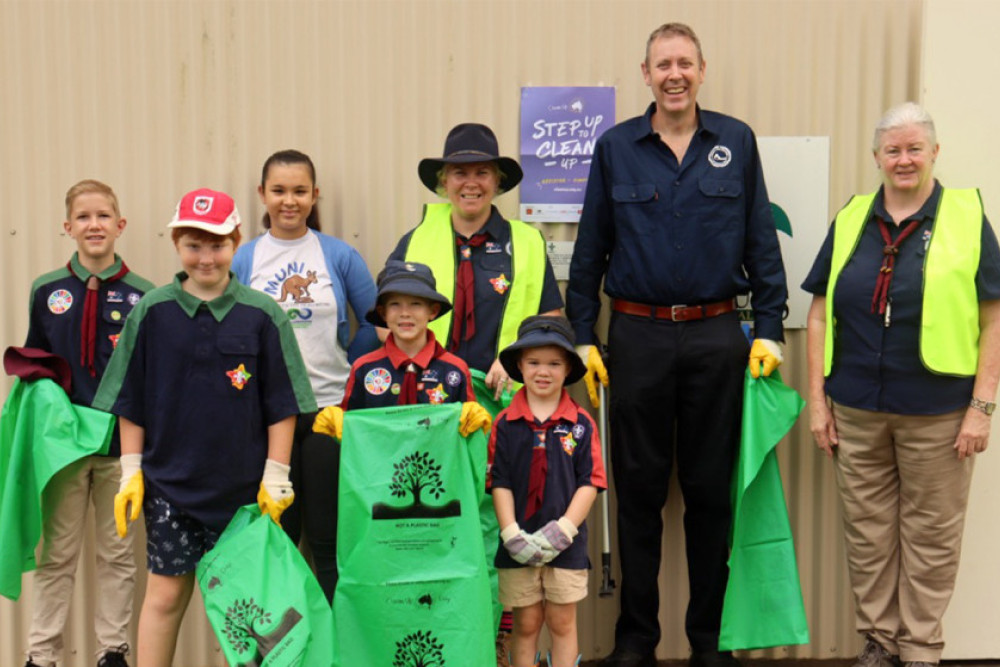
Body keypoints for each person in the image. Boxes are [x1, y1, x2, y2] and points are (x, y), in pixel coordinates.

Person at [566, 23, 788, 667]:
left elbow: (760, 244)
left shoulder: (736, 142)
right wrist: (584, 335)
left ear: (702, 69)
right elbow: (589, 253)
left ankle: (708, 642)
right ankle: (636, 640)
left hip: (719, 338)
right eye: (663, 64)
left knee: (710, 493)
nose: (674, 74)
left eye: (685, 63)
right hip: (635, 337)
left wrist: (769, 328)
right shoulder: (616, 148)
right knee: (636, 491)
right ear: (645, 73)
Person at [803, 102, 1000, 667]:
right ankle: (880, 643)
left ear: (935, 152)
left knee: (931, 537)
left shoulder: (967, 214)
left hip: (939, 411)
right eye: (893, 150)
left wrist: (982, 406)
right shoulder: (852, 217)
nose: (904, 159)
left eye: (915, 148)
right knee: (868, 534)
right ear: (876, 158)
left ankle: (919, 649)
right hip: (857, 407)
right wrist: (818, 401)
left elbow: (992, 317)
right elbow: (818, 313)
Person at [92, 188, 316, 667]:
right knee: (165, 598)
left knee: (249, 609)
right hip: (170, 490)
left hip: (243, 496)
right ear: (176, 243)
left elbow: (283, 404)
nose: (206, 256)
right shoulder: (151, 313)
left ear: (236, 242)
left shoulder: (263, 315)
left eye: (217, 244)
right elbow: (131, 401)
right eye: (194, 244)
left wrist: (276, 475)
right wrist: (132, 469)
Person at [389, 122, 564, 661]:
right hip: (431, 410)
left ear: (497, 180)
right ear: (443, 181)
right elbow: (387, 320)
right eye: (459, 172)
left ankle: (489, 644)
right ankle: (438, 643)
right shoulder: (416, 238)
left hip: (503, 409)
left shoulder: (528, 243)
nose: (471, 182)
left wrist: (517, 362)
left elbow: (553, 321)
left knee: (499, 528)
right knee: (432, 523)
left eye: (481, 171)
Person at [232, 149, 378, 601]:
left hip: (327, 411)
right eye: (278, 191)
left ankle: (335, 643)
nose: (289, 201)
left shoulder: (338, 254)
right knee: (278, 539)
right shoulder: (244, 259)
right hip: (267, 418)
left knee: (327, 539)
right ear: (262, 194)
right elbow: (227, 327)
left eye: (299, 191)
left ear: (315, 195)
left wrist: (348, 362)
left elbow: (376, 319)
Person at [21, 180, 154, 667]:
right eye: (83, 217)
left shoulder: (146, 296)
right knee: (57, 553)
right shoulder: (47, 290)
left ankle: (112, 650)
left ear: (120, 225)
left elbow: (150, 375)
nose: (93, 225)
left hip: (122, 448)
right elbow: (37, 366)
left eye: (103, 216)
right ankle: (41, 653)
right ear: (68, 227)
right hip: (65, 449)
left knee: (117, 555)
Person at [488, 315, 607, 667]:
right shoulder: (505, 423)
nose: (544, 371)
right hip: (518, 541)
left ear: (568, 367)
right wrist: (510, 533)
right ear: (520, 366)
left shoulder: (581, 424)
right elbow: (500, 482)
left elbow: (591, 482)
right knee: (525, 622)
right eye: (534, 362)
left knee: (562, 619)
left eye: (554, 363)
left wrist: (565, 529)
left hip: (566, 545)